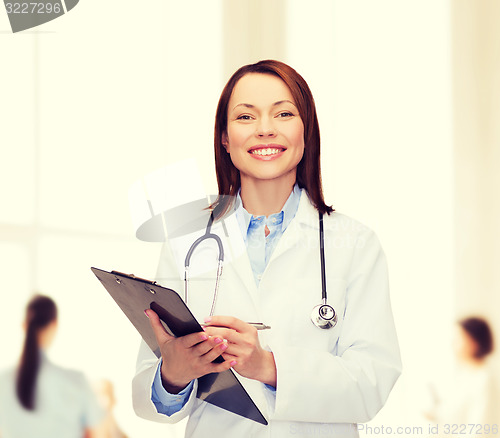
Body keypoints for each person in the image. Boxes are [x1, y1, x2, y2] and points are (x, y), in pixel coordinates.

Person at [132, 60, 402, 437]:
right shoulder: (188, 240)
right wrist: (173, 375)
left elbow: (372, 382)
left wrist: (268, 366)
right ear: (224, 138)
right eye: (245, 117)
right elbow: (148, 400)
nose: (264, 129)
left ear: (307, 132)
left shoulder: (355, 244)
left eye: (284, 113)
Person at [0, 294, 103, 438]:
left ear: (24, 325)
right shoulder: (76, 381)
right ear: (54, 325)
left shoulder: (3, 382)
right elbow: (93, 434)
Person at [426, 317, 497, 434]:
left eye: (458, 339)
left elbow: (479, 429)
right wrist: (436, 414)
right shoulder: (463, 375)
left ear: (474, 343)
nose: (452, 344)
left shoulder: (484, 380)